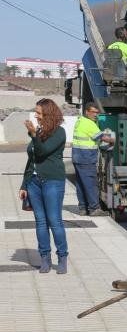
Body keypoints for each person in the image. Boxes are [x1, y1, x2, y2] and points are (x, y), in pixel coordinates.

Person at [18, 99, 69, 274]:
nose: (36, 116)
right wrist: (24, 184)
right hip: (34, 182)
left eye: (39, 113)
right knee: (40, 222)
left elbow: (42, 152)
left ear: (48, 114)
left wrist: (33, 135)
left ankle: (62, 257)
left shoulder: (59, 133)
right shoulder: (38, 132)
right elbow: (32, 159)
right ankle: (45, 258)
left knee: (54, 221)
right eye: (36, 112)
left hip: (52, 181)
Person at [72, 102, 112, 216]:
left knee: (80, 183)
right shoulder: (90, 124)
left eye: (97, 112)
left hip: (77, 156)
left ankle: (83, 208)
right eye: (93, 112)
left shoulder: (80, 121)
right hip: (86, 157)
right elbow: (103, 138)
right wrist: (113, 139)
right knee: (90, 183)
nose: (95, 115)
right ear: (87, 112)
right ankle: (94, 208)